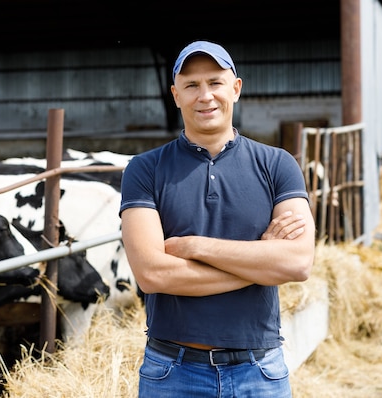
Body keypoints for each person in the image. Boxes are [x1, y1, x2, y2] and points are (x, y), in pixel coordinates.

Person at [119, 40, 316, 397]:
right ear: (175, 95)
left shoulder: (277, 165)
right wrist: (258, 260)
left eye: (215, 82)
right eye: (192, 85)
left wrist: (196, 246)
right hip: (173, 372)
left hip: (259, 371)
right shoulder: (144, 169)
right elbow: (152, 274)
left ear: (236, 89)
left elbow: (298, 263)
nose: (205, 96)